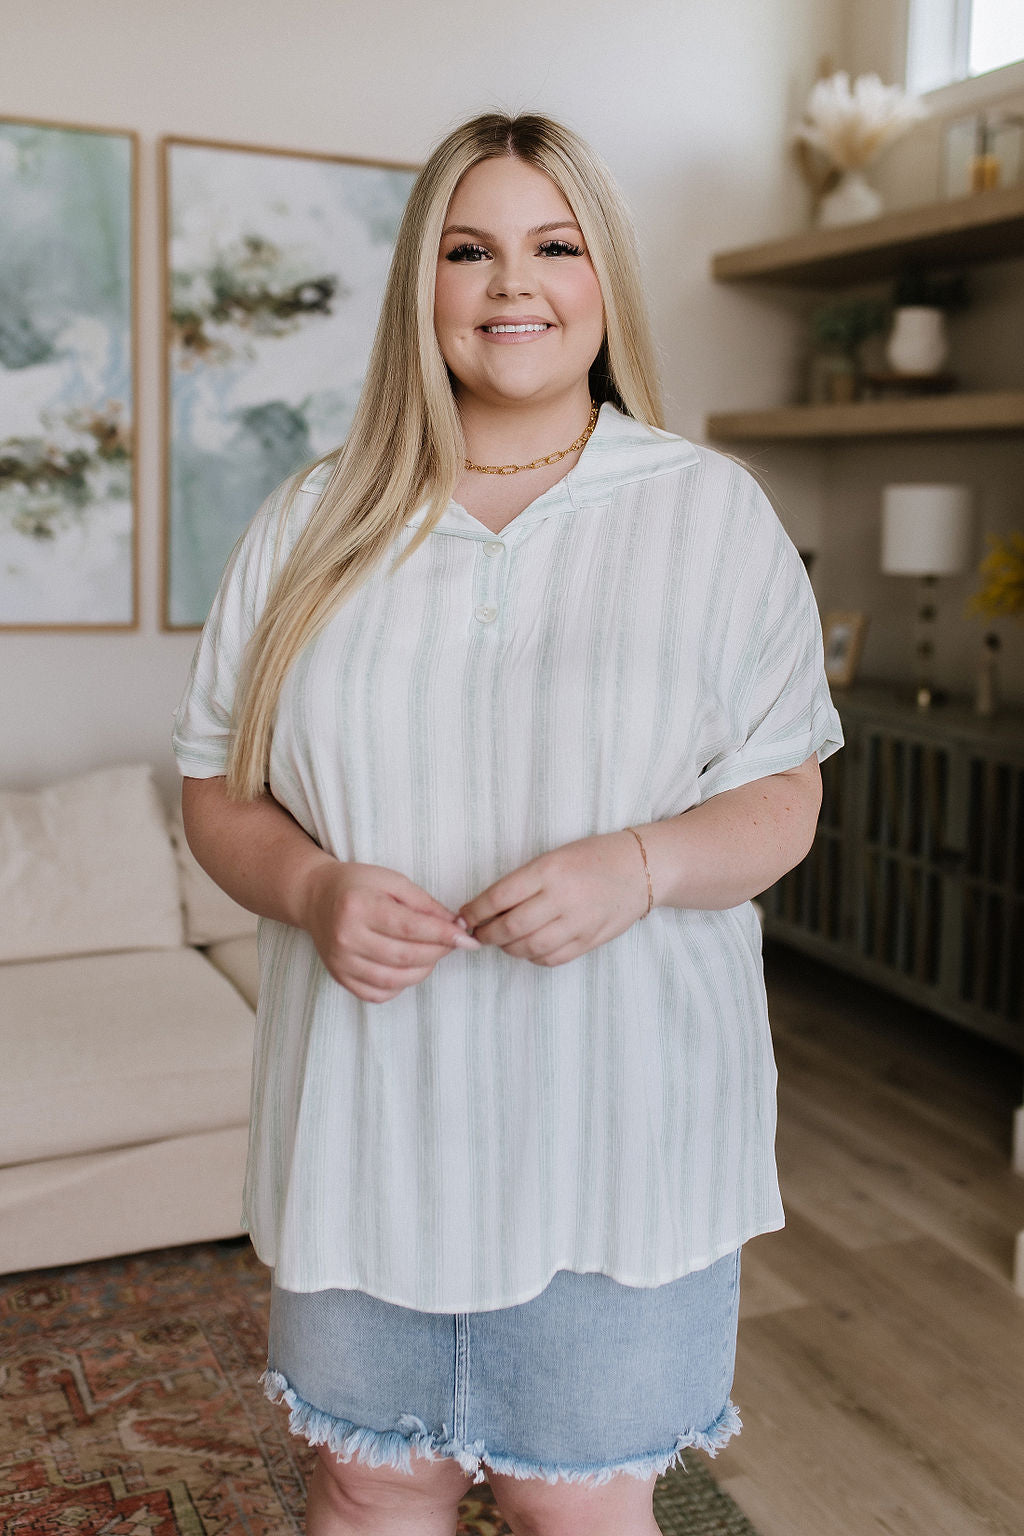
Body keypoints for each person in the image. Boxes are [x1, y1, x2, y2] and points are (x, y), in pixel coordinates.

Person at [173, 110, 843, 1536]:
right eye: (468, 249)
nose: (509, 283)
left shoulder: (710, 516)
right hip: (371, 1129)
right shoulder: (311, 520)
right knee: (363, 1489)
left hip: (620, 1132)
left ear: (605, 281)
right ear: (422, 284)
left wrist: (645, 864)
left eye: (553, 244)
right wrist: (309, 888)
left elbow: (788, 793)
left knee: (577, 1510)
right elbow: (215, 791)